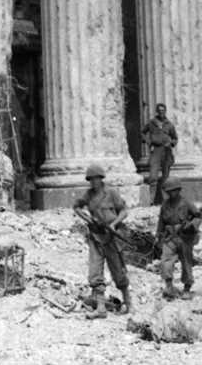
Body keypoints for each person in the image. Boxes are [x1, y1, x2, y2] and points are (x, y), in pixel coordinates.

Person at [73, 164, 131, 319]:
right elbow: (76, 206)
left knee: (118, 271)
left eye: (96, 179)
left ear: (101, 179)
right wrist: (87, 218)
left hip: (112, 237)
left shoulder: (111, 193)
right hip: (96, 237)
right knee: (95, 271)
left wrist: (114, 223)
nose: (93, 182)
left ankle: (128, 302)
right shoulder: (88, 195)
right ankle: (100, 308)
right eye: (90, 180)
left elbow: (124, 211)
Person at [155, 178, 202, 299]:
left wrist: (191, 226)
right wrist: (158, 236)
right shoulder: (165, 205)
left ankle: (187, 287)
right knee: (165, 261)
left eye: (173, 191)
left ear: (178, 190)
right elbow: (161, 222)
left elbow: (198, 216)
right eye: (168, 191)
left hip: (184, 238)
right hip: (169, 237)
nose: (171, 193)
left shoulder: (186, 203)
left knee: (186, 263)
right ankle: (169, 286)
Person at [142, 104, 178, 205]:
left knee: (166, 177)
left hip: (166, 151)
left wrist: (171, 143)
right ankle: (151, 200)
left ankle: (165, 200)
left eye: (163, 111)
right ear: (157, 111)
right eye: (159, 111)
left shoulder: (169, 124)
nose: (161, 112)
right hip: (156, 151)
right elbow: (143, 133)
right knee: (153, 176)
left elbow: (175, 138)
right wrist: (149, 142)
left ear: (165, 111)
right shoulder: (151, 123)